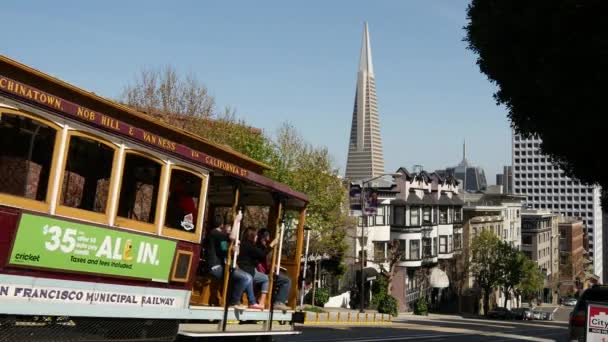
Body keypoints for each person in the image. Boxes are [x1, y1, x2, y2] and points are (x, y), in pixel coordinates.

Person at [204, 210, 263, 310]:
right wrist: (236, 221)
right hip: (216, 267)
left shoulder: (216, 235)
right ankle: (234, 301)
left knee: (247, 276)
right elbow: (232, 237)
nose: (229, 230)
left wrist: (233, 250)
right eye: (228, 227)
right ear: (223, 225)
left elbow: (224, 250)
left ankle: (251, 302)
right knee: (246, 278)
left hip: (220, 266)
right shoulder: (216, 234)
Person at [256, 229, 291, 311]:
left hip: (265, 271)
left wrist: (273, 266)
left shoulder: (263, 247)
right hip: (262, 273)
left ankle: (280, 300)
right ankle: (278, 302)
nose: (268, 240)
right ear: (263, 237)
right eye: (267, 238)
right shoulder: (259, 247)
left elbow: (265, 261)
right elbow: (261, 257)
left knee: (284, 278)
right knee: (286, 280)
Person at [238, 227, 271, 308]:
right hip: (247, 270)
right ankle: (260, 302)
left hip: (245, 269)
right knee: (265, 278)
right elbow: (262, 254)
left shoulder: (244, 244)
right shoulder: (249, 245)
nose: (257, 237)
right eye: (255, 235)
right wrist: (271, 246)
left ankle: (254, 301)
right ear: (251, 236)